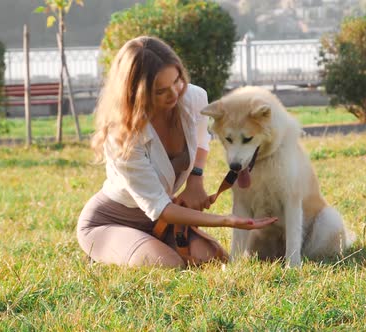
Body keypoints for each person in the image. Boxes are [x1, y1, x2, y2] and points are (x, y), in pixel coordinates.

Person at [76, 36, 277, 269]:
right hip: (113, 221)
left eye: (177, 80)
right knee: (170, 264)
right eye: (160, 90)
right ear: (136, 93)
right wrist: (226, 220)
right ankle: (105, 253)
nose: (174, 93)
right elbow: (160, 207)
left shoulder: (194, 98)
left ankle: (140, 248)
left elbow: (203, 139)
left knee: (212, 259)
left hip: (163, 221)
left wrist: (195, 181)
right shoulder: (122, 136)